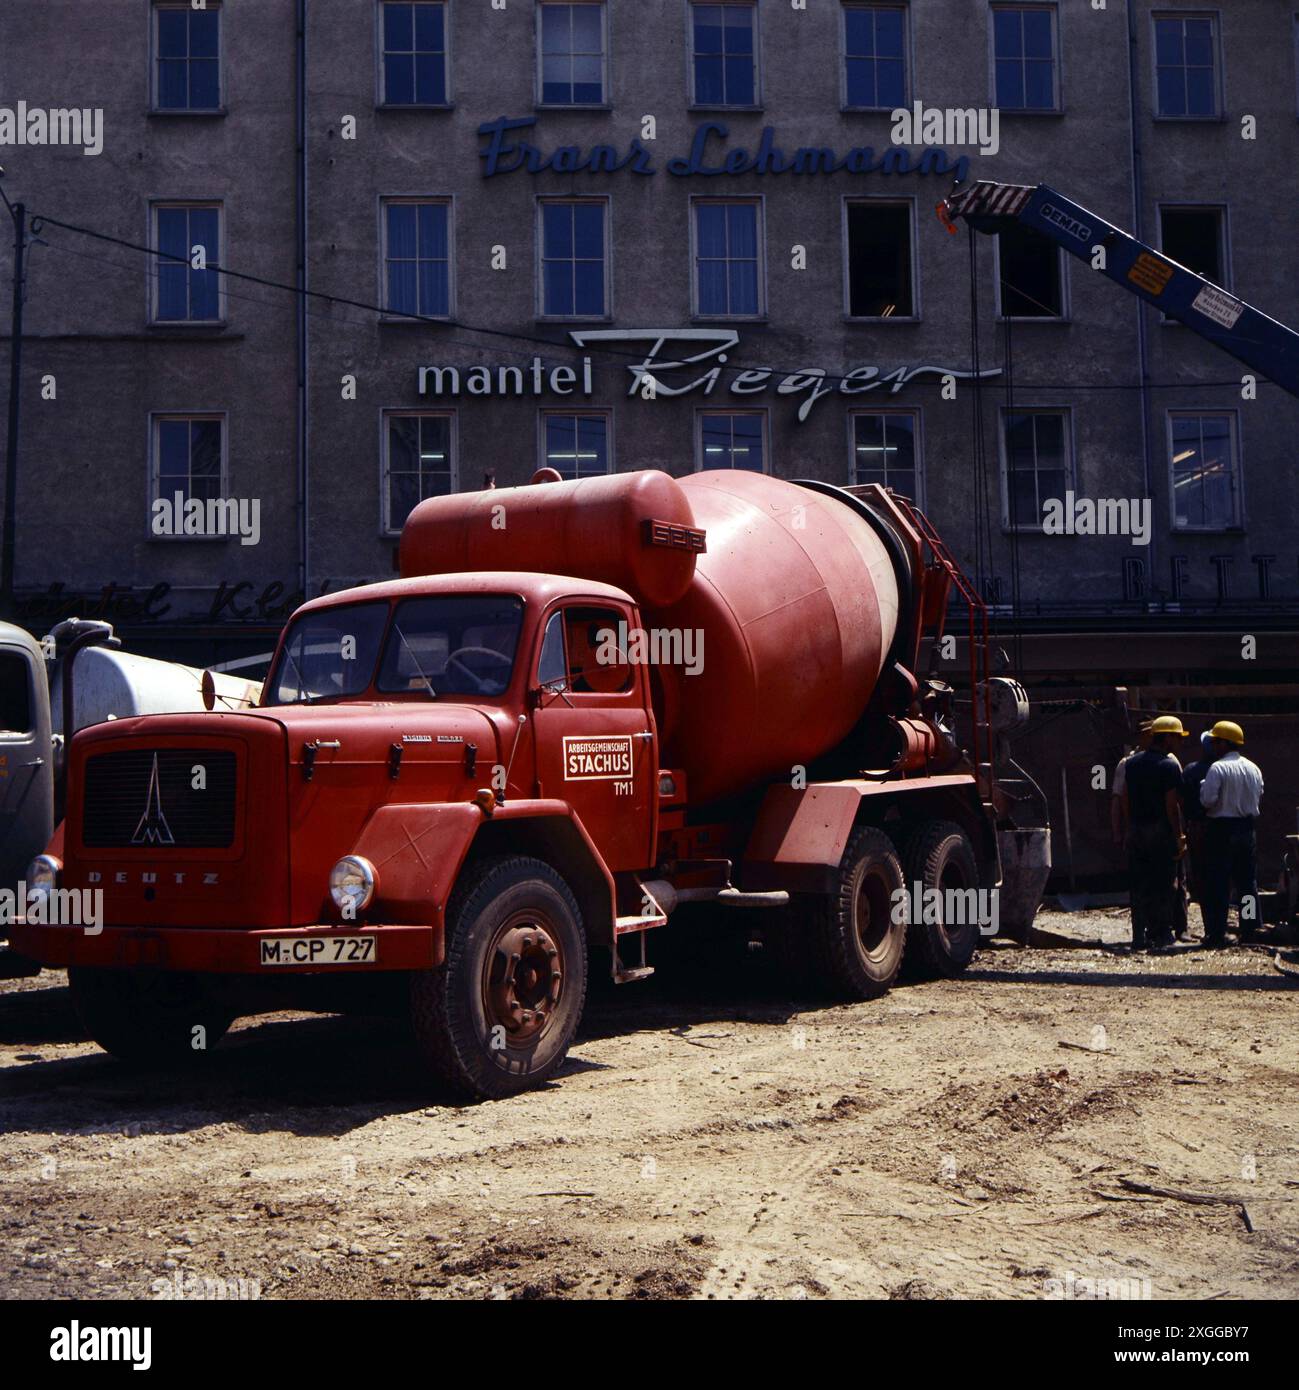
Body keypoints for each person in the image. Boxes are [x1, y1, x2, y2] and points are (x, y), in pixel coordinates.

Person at [1113, 721, 1189, 942]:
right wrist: (1179, 835)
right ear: (1166, 738)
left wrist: (1128, 827)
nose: (1181, 742)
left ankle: (1138, 935)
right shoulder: (1169, 766)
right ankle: (1161, 933)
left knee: (1139, 883)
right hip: (1160, 831)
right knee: (1165, 883)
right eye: (1177, 737)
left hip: (1137, 829)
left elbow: (1124, 798)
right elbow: (1171, 805)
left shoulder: (1131, 764)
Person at [1199, 721, 1264, 947]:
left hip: (1222, 830)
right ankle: (1250, 929)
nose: (1213, 745)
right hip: (1247, 829)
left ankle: (1218, 933)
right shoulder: (1253, 768)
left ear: (1224, 743)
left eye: (1216, 741)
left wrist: (1202, 788)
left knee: (1218, 883)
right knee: (1247, 883)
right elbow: (1258, 796)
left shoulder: (1217, 768)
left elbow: (1208, 801)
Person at [1181, 732, 1218, 920]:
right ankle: (1238, 924)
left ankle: (1210, 925)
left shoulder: (1190, 770)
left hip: (1197, 828)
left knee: (1202, 877)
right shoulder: (1227, 769)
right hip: (1221, 828)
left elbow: (1182, 801)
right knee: (1224, 878)